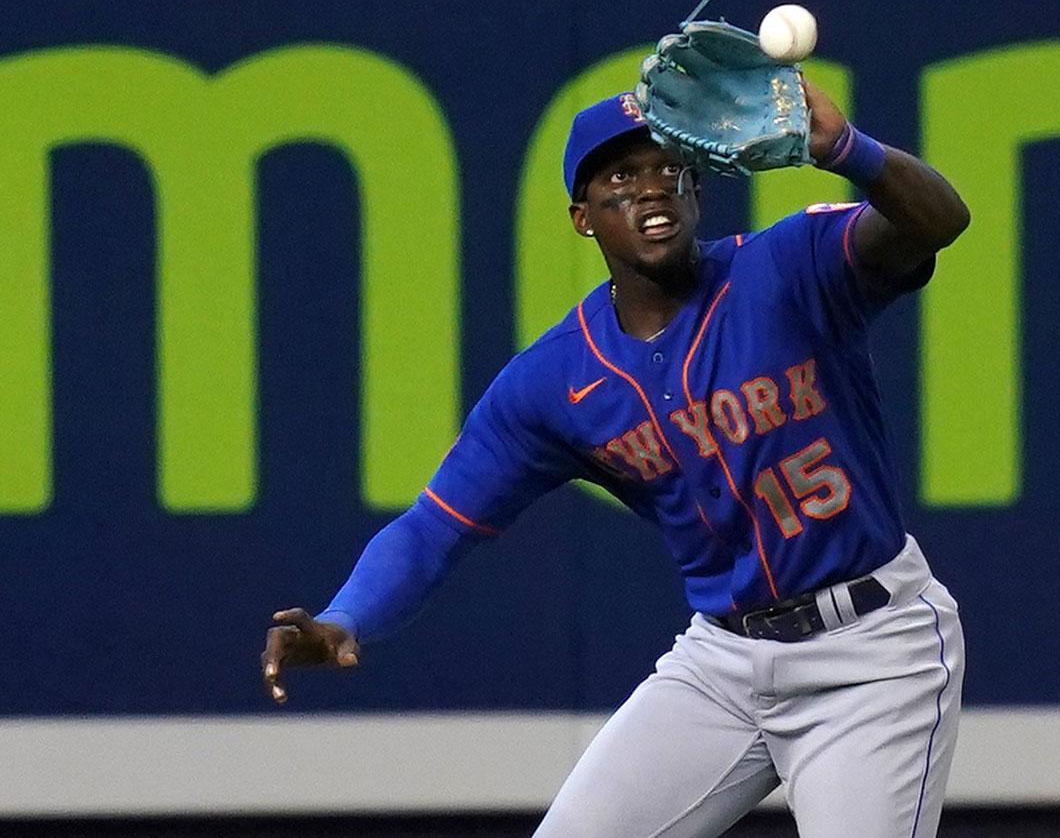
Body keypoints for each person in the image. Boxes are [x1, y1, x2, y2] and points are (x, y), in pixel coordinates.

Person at [263, 80, 970, 836]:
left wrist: (845, 150)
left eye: (667, 167)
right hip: (724, 664)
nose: (648, 188)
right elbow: (435, 528)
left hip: (873, 650)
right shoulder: (553, 381)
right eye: (617, 179)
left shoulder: (790, 267)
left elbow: (938, 221)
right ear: (583, 219)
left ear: (697, 187)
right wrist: (347, 616)